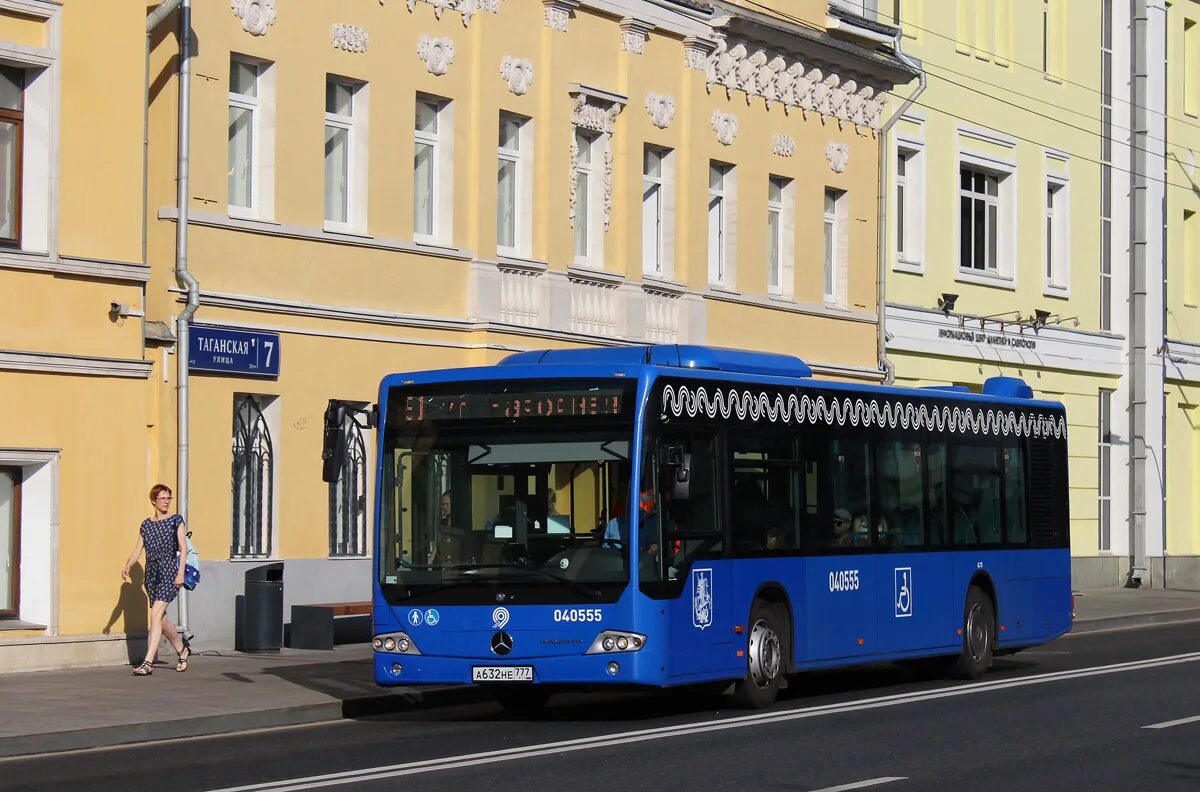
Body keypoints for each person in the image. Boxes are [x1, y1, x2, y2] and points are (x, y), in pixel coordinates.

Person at [121, 484, 190, 675]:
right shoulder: (146, 524)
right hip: (152, 572)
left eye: (169, 498)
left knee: (155, 615)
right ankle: (182, 650)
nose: (167, 501)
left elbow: (183, 547)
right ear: (154, 501)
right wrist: (128, 565)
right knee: (162, 619)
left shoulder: (176, 520)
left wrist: (180, 572)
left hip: (169, 569)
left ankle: (147, 662)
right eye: (163, 498)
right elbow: (138, 549)